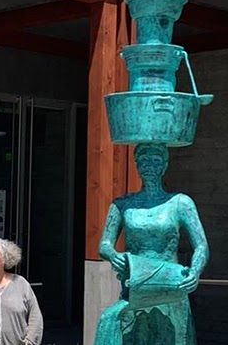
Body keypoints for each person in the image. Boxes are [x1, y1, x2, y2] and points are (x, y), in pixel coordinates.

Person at [93, 143, 209, 345]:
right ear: (136, 165)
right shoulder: (123, 204)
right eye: (143, 161)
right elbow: (104, 244)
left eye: (155, 161)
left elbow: (201, 245)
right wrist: (113, 256)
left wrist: (195, 271)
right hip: (136, 287)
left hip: (170, 286)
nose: (149, 166)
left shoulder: (180, 203)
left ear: (164, 166)